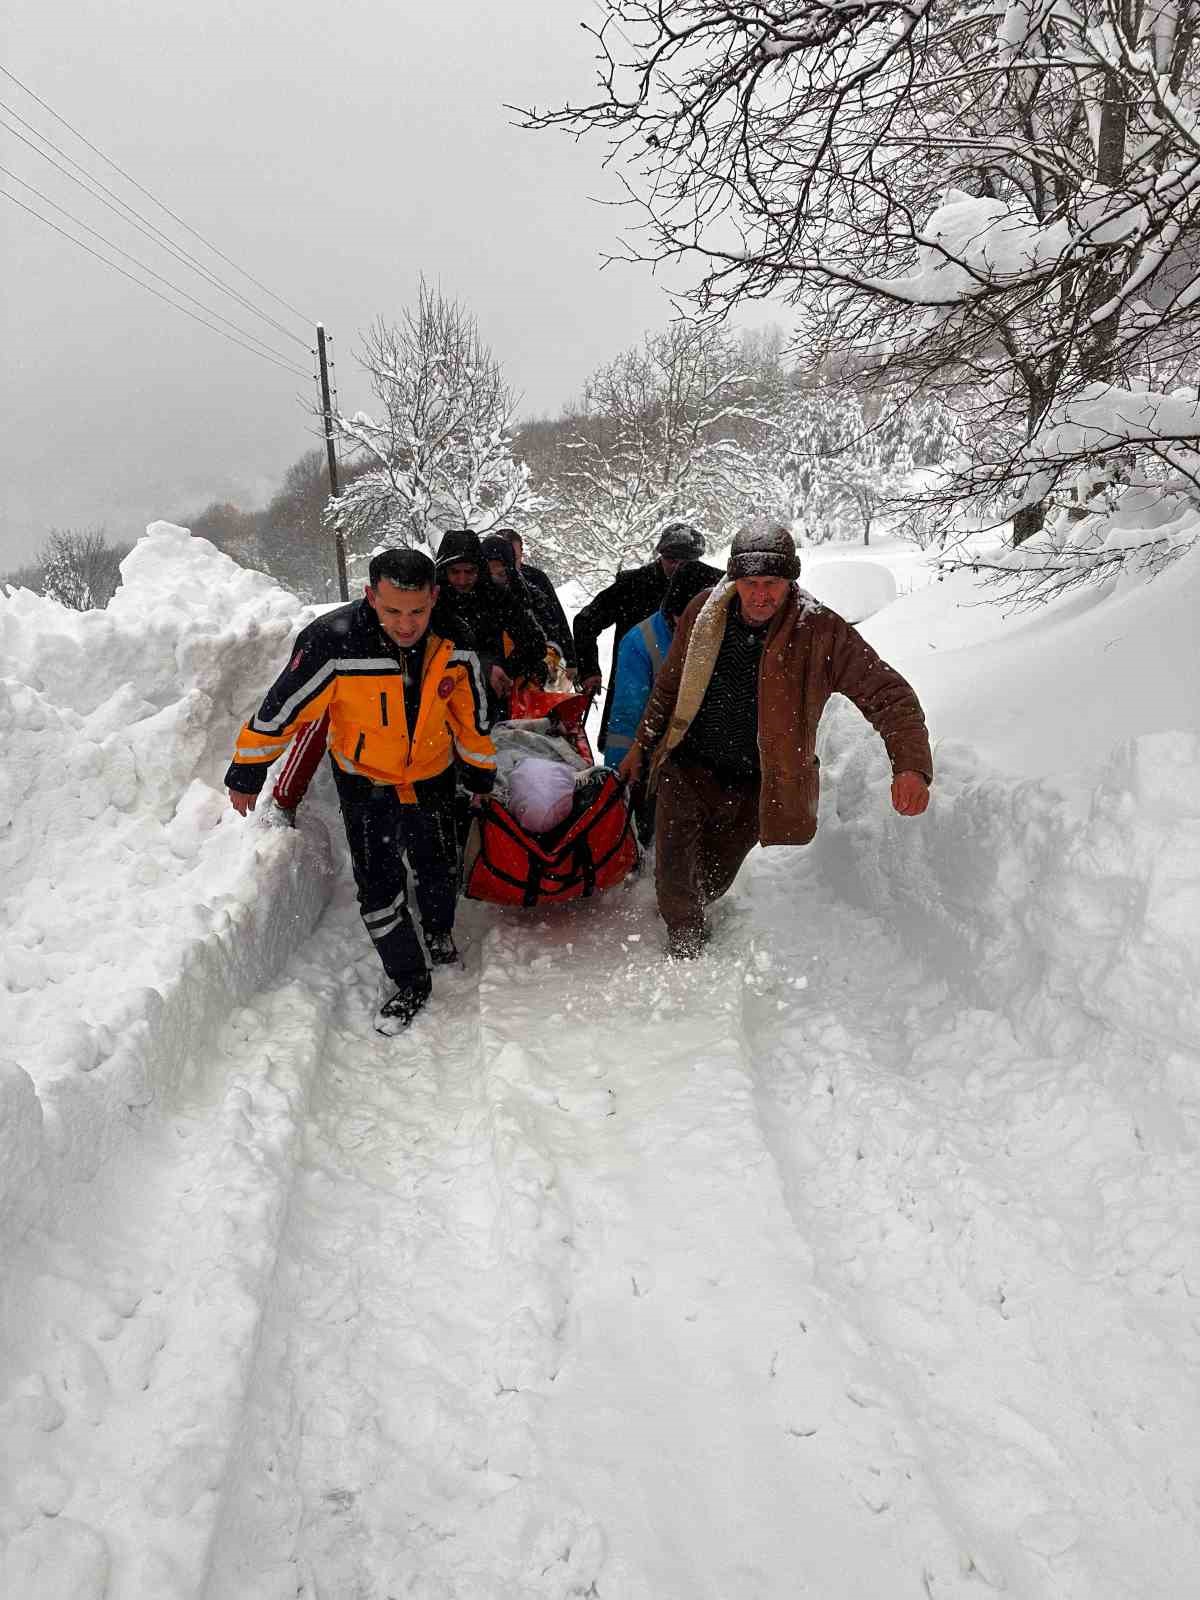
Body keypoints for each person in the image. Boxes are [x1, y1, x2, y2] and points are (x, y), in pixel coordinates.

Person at [618, 521, 932, 959]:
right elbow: (669, 689)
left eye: (772, 583)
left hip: (757, 783)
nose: (761, 595)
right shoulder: (702, 613)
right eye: (750, 583)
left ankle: (692, 911)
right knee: (674, 875)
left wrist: (911, 766)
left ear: (790, 582)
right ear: (734, 580)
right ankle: (684, 960)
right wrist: (641, 746)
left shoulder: (819, 630)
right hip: (686, 767)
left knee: (712, 878)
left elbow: (889, 694)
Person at [225, 548, 496, 1032]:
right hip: (365, 780)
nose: (406, 623)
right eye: (392, 610)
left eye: (417, 611)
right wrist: (249, 767)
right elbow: (284, 707)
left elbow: (471, 716)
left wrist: (479, 769)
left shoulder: (457, 640)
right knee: (377, 884)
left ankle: (438, 931)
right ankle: (409, 976)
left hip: (432, 774)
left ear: (434, 597)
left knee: (438, 864)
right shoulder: (335, 642)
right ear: (370, 596)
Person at [573, 523, 722, 755]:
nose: (678, 567)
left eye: (686, 561)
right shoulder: (633, 585)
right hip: (632, 687)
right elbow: (585, 621)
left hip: (689, 696)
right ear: (660, 555)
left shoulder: (716, 586)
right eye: (671, 560)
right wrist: (589, 669)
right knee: (626, 755)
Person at [602, 559, 716, 845]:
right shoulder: (641, 642)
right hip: (654, 752)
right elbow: (627, 714)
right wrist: (621, 777)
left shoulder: (719, 632)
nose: (686, 626)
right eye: (681, 619)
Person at [435, 527, 549, 717]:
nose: (462, 580)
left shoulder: (496, 597)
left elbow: (535, 642)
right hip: (442, 700)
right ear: (443, 571)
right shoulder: (432, 602)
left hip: (491, 701)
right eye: (455, 572)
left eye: (469, 572)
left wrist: (505, 668)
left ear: (479, 569)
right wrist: (481, 667)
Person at [494, 528, 576, 673]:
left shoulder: (536, 578)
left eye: (516, 558)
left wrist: (571, 660)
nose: (512, 565)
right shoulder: (480, 585)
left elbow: (558, 618)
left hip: (538, 663)